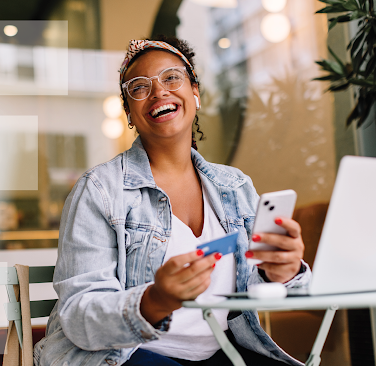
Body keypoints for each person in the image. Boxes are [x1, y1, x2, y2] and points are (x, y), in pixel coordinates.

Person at [34, 36, 311, 366]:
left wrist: (282, 272)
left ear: (195, 92)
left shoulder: (235, 186)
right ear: (130, 114)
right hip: (123, 356)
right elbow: (79, 315)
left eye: (171, 77)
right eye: (139, 87)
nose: (158, 92)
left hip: (222, 350)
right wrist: (155, 300)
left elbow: (251, 288)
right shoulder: (99, 190)